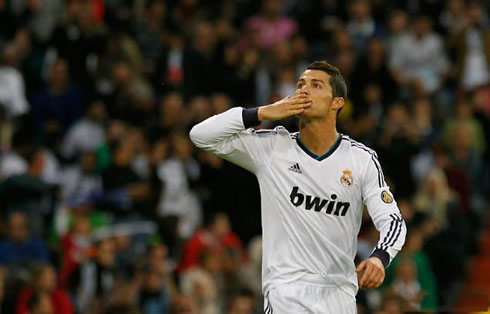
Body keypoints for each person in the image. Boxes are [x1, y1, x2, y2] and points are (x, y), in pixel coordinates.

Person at [190, 61, 407, 313]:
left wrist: (380, 258)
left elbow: (393, 220)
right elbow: (201, 135)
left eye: (316, 86)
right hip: (286, 290)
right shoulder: (272, 148)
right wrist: (261, 113)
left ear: (337, 102)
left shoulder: (360, 159)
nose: (304, 90)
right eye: (300, 85)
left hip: (339, 293)